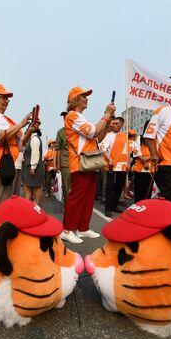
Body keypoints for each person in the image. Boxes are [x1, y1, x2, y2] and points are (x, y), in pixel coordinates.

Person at [61, 86, 115, 243]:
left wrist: (107, 122)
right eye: (84, 96)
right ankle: (67, 229)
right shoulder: (72, 116)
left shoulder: (80, 117)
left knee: (88, 198)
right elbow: (93, 132)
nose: (87, 98)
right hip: (80, 162)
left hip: (89, 161)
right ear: (75, 99)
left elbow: (98, 137)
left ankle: (82, 228)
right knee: (77, 198)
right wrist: (106, 114)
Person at [0, 84, 31, 209]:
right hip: (2, 163)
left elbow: (20, 142)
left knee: (12, 205)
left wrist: (30, 129)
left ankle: (6, 228)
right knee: (2, 206)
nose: (6, 101)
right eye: (3, 98)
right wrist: (21, 124)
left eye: (7, 99)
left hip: (12, 162)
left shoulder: (5, 118)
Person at [102, 117, 128, 217]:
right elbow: (103, 148)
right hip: (111, 165)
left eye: (116, 123)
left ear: (121, 124)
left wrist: (128, 163)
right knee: (110, 187)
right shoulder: (108, 135)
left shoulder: (124, 136)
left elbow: (127, 151)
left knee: (119, 187)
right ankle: (108, 208)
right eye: (113, 123)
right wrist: (109, 159)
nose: (114, 125)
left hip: (122, 166)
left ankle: (114, 205)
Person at [132, 122, 155, 202]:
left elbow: (158, 153)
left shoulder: (156, 139)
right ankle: (137, 206)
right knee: (138, 190)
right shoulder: (140, 138)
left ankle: (145, 207)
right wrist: (144, 160)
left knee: (148, 191)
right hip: (140, 168)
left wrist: (147, 158)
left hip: (151, 169)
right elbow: (136, 150)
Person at [22, 122, 44, 204]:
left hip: (34, 167)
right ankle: (29, 208)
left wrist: (33, 167)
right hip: (29, 166)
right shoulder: (30, 139)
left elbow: (35, 154)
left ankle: (36, 207)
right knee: (28, 187)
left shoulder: (34, 139)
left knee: (36, 187)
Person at [54, 112, 71, 203]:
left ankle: (75, 206)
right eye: (64, 118)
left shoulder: (77, 130)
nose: (65, 119)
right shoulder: (61, 132)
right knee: (66, 186)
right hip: (65, 162)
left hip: (78, 162)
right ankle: (67, 205)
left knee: (76, 187)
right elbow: (58, 149)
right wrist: (57, 164)